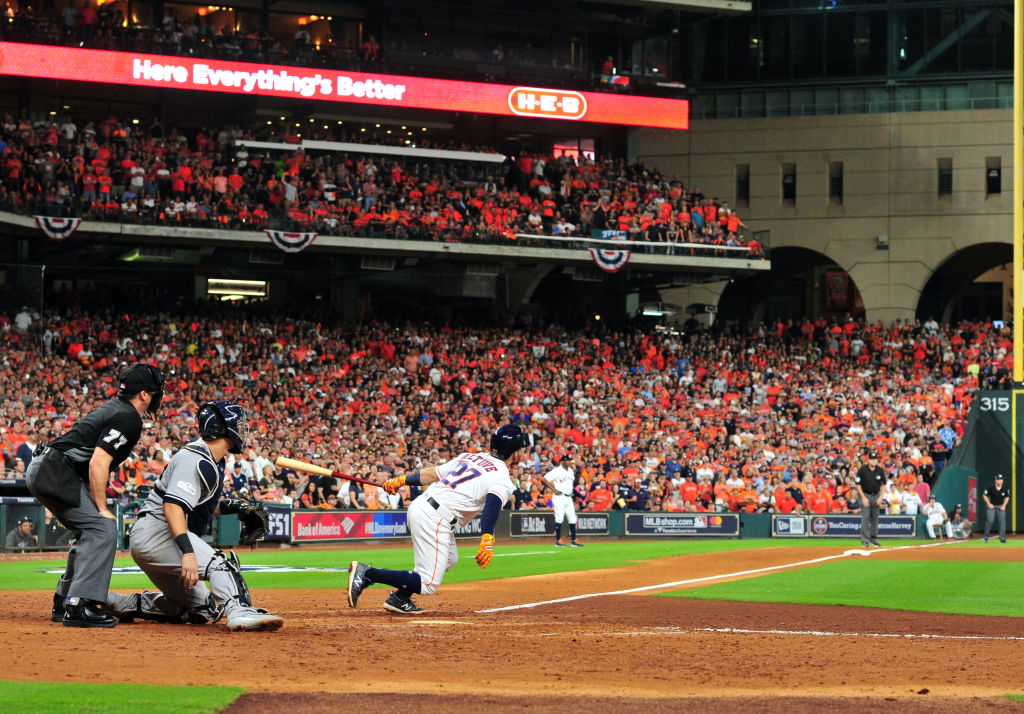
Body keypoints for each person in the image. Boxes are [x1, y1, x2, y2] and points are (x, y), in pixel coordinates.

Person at [105, 401, 283, 631]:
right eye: (237, 424)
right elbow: (172, 506)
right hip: (158, 532)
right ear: (221, 427)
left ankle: (119, 603)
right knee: (221, 565)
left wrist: (239, 508)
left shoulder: (210, 460)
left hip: (155, 535)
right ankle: (240, 610)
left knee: (202, 608)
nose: (241, 429)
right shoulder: (195, 459)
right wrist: (188, 553)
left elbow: (200, 506)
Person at [26, 363, 164, 628]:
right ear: (144, 395)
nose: (159, 396)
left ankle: (66, 600)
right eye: (156, 391)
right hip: (55, 471)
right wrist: (102, 507)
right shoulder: (129, 417)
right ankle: (81, 605)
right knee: (102, 527)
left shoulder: (117, 408)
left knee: (90, 530)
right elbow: (98, 462)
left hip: (48, 467)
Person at [347, 424, 525, 615]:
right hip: (436, 517)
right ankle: (367, 574)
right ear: (513, 453)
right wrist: (487, 538)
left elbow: (432, 473)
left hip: (423, 506)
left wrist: (402, 480)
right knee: (428, 583)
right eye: (520, 449)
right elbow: (492, 505)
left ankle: (399, 598)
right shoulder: (502, 477)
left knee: (449, 559)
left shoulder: (471, 456)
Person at [543, 454, 583, 547]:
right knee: (559, 518)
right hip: (559, 497)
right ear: (563, 461)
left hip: (568, 497)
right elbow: (544, 479)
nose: (569, 462)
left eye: (570, 460)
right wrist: (554, 490)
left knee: (572, 518)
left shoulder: (571, 471)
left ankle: (574, 540)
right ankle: (558, 540)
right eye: (568, 460)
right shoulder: (557, 470)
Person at [854, 450, 885, 548]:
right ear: (868, 460)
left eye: (875, 459)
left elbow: (884, 485)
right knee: (866, 518)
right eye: (872, 459)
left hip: (876, 495)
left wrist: (881, 497)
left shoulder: (880, 470)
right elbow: (858, 484)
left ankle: (874, 540)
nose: (873, 461)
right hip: (865, 495)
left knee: (875, 519)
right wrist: (863, 497)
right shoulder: (863, 469)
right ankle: (865, 541)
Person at [982, 474, 1010, 544]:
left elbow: (1007, 497)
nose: (1000, 481)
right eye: (998, 480)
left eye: (1001, 480)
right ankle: (985, 537)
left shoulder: (1005, 488)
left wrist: (1004, 505)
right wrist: (989, 504)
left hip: (1000, 506)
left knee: (1002, 522)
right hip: (992, 506)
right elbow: (984, 495)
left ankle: (1002, 539)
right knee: (990, 520)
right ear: (995, 480)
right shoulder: (990, 487)